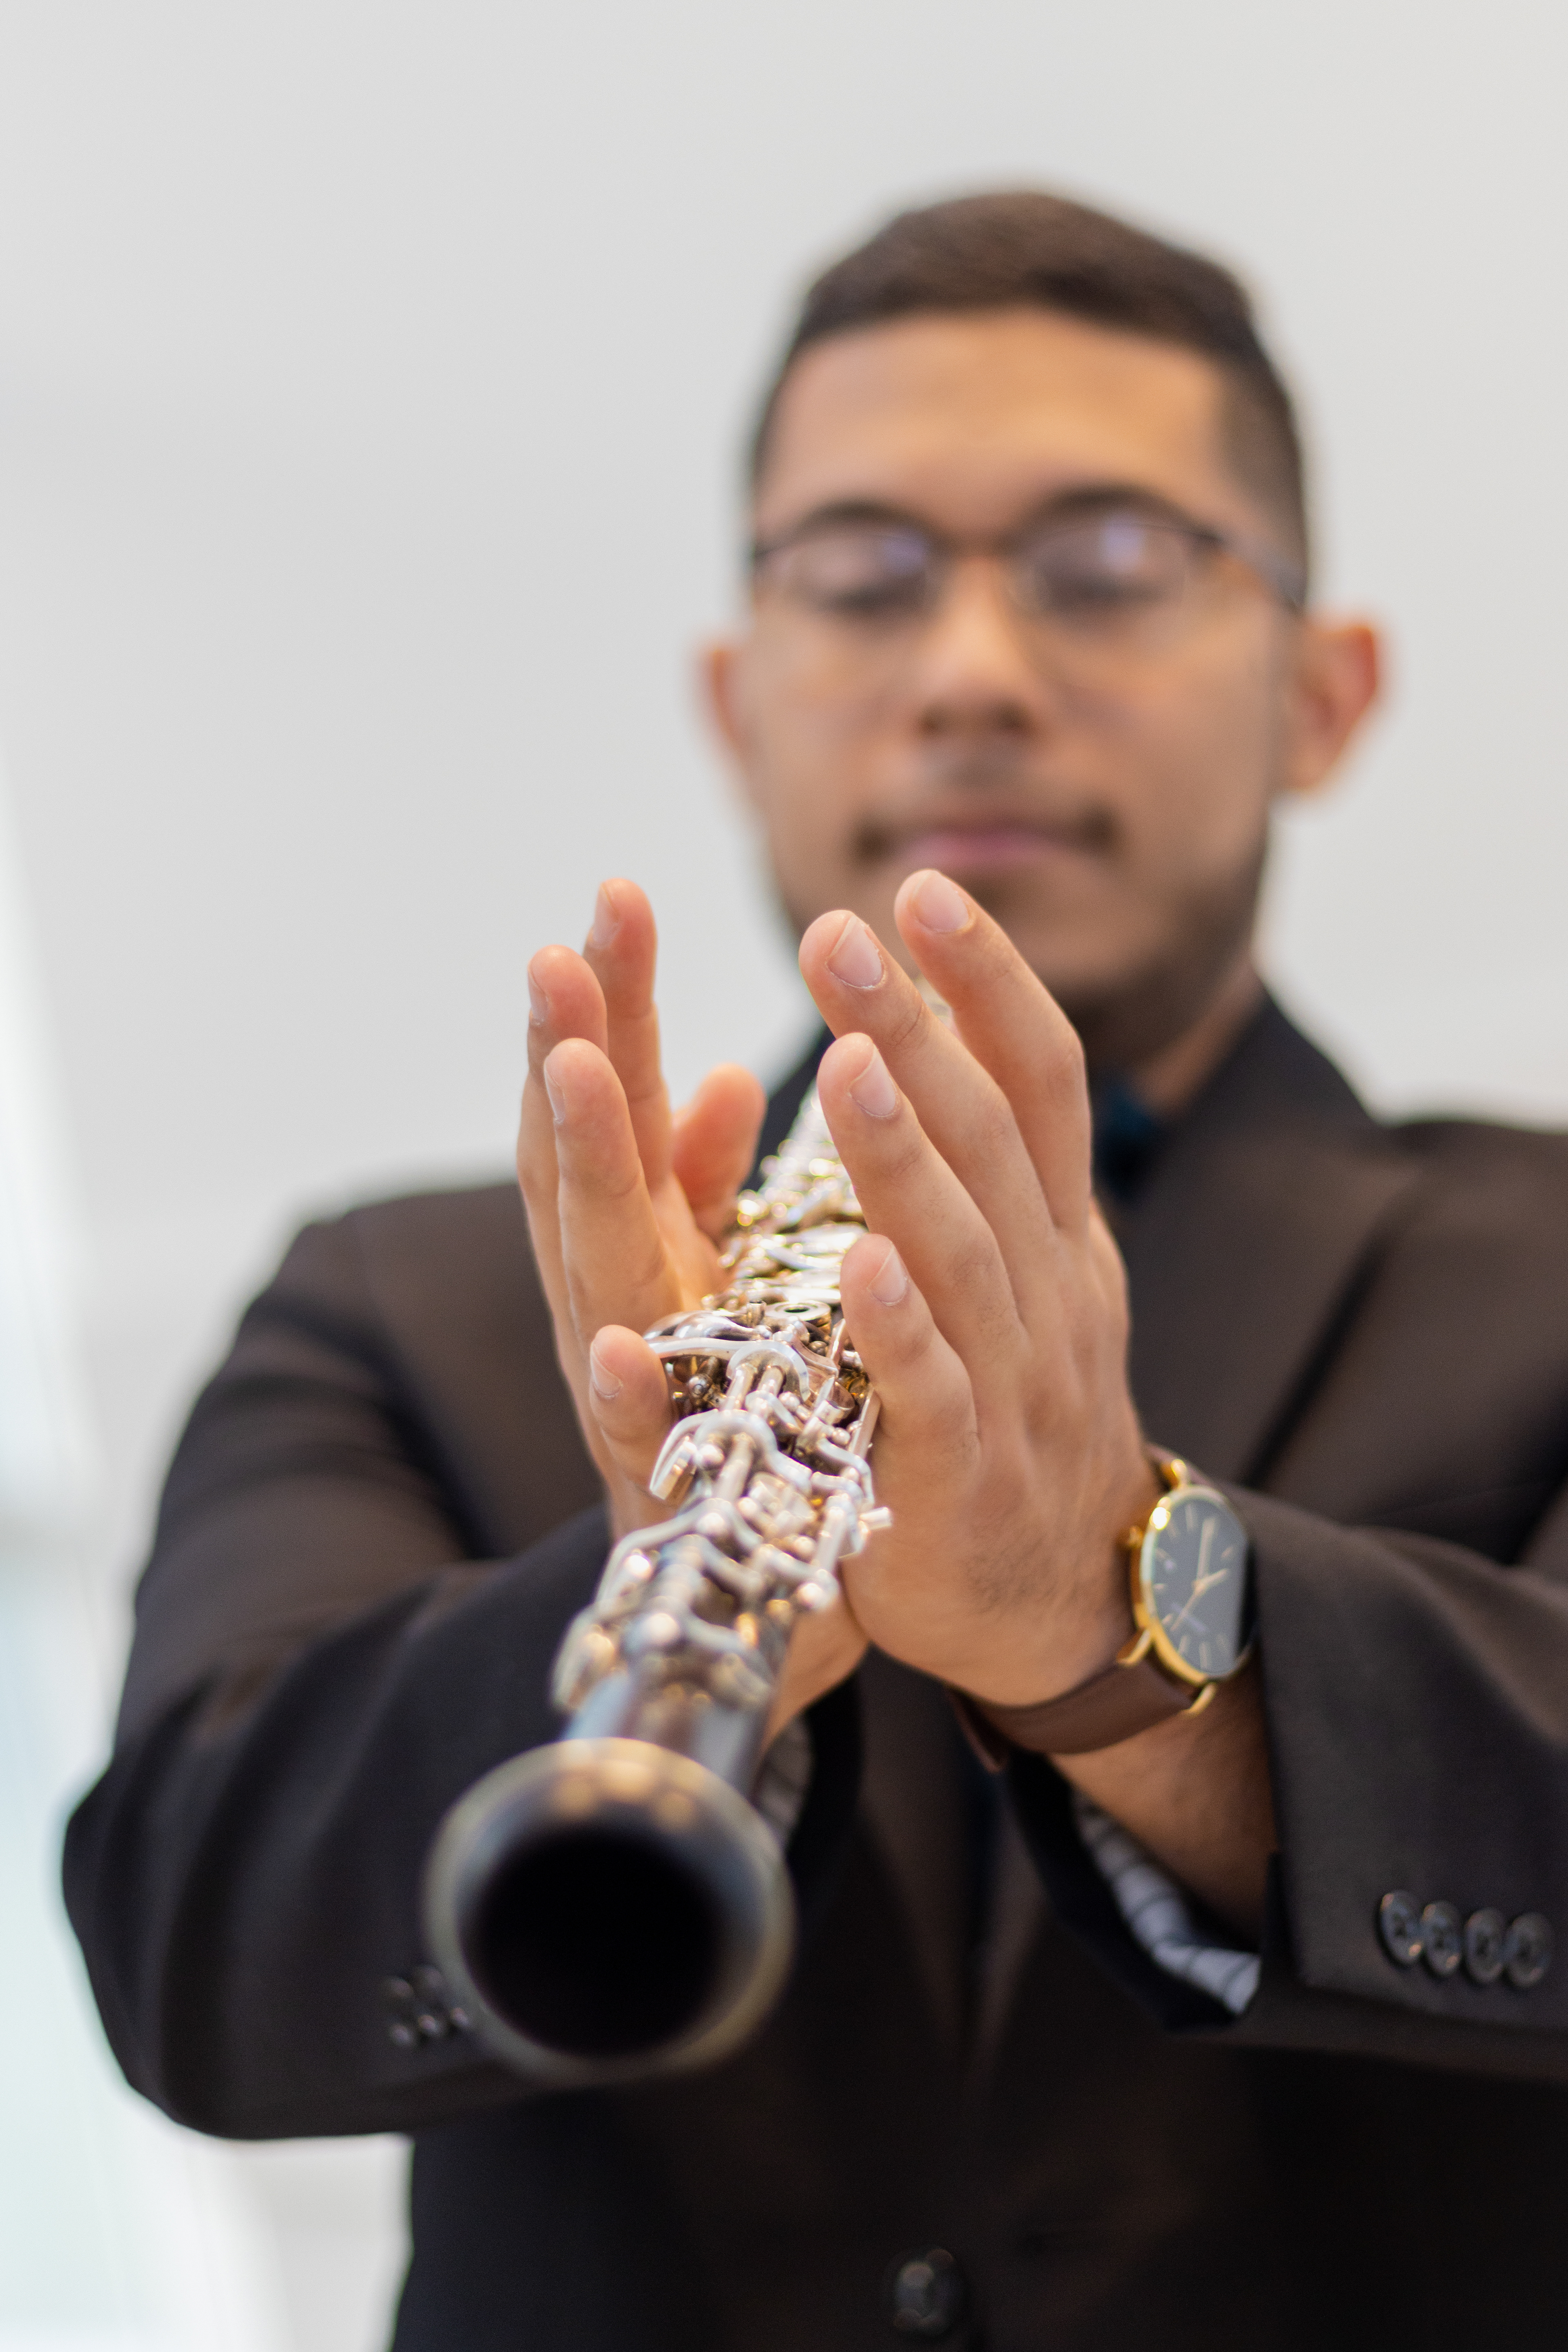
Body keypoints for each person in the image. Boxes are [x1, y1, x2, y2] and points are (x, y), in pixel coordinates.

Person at [65, 192, 1568, 2350]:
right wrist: (659, 1639)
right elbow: (196, 1953)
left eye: (1111, 567)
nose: (968, 670)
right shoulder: (404, 1303)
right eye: (857, 578)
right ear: (736, 695)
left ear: (1322, 696)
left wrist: (1119, 1634)